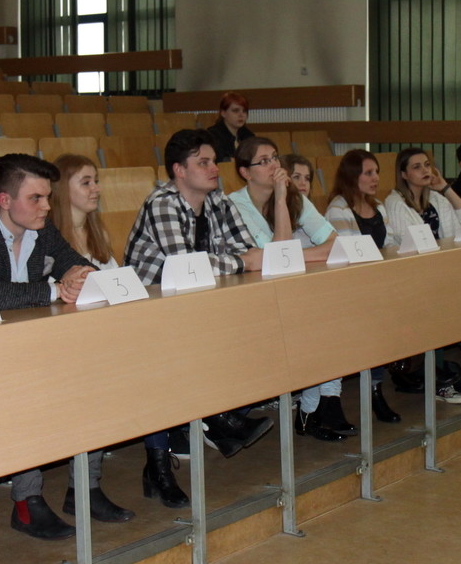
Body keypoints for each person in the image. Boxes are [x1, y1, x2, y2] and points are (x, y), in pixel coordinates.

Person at [0, 153, 134, 538]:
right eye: (36, 198)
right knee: (28, 389)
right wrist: (53, 290)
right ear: (4, 200)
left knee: (91, 372)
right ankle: (27, 503)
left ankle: (86, 488)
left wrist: (81, 277)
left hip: (27, 340)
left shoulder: (39, 227)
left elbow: (76, 265)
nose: (47, 206)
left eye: (47, 197)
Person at [124, 128, 273, 465]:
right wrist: (239, 262)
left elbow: (250, 249)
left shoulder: (218, 200)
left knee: (259, 335)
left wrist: (241, 260)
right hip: (150, 309)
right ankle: (215, 421)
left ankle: (217, 419)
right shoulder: (162, 203)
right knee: (200, 340)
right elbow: (185, 264)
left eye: (214, 161)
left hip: (197, 302)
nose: (214, 169)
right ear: (179, 170)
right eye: (203, 163)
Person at [53, 153, 190, 507]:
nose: (96, 189)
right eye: (86, 182)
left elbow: (117, 284)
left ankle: (159, 463)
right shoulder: (50, 240)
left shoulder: (96, 233)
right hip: (72, 341)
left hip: (107, 332)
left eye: (96, 181)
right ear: (62, 189)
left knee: (158, 358)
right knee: (145, 362)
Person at [229, 138, 351, 442]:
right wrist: (281, 199)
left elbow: (334, 244)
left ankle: (318, 405)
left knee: (332, 312)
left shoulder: (295, 196)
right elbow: (276, 254)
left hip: (289, 290)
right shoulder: (234, 205)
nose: (274, 166)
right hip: (252, 297)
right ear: (245, 172)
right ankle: (317, 406)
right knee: (318, 319)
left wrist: (293, 254)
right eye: (264, 161)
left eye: (275, 158)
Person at [381, 147, 461, 401]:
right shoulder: (395, 203)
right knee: (435, 306)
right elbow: (410, 246)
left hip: (439, 272)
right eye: (417, 167)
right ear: (403, 174)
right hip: (410, 277)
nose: (425, 170)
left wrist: (446, 189)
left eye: (427, 165)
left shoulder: (438, 199)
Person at [323, 149, 402, 424]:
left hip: (378, 282)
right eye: (368, 173)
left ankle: (389, 378)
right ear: (352, 176)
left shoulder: (378, 206)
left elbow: (390, 245)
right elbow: (349, 253)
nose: (376, 178)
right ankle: (374, 389)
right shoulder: (338, 209)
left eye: (377, 172)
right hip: (352, 289)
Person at [204, 90, 254, 162]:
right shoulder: (213, 135)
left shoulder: (249, 135)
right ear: (223, 113)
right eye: (235, 111)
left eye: (244, 111)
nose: (241, 115)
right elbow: (220, 160)